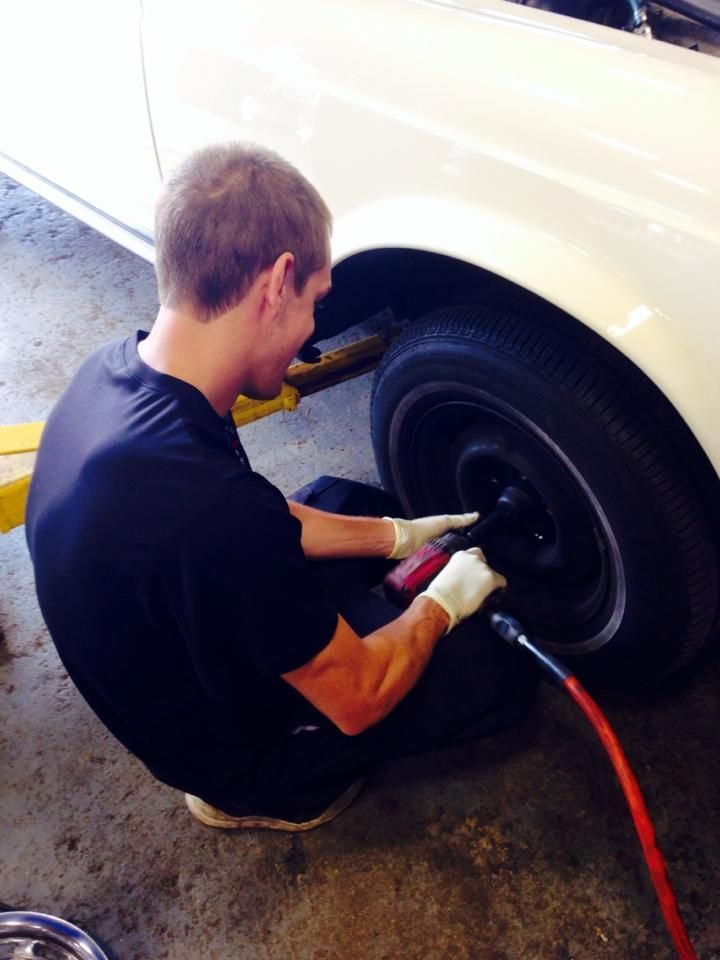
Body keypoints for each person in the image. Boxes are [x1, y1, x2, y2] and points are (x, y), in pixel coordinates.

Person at [25, 143, 537, 832]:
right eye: (317, 303)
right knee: (486, 669)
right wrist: (440, 608)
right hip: (222, 744)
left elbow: (258, 522)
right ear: (276, 283)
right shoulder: (205, 511)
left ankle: (370, 592)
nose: (314, 330)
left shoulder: (117, 370)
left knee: (351, 501)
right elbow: (359, 696)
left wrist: (401, 536)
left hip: (164, 641)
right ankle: (271, 796)